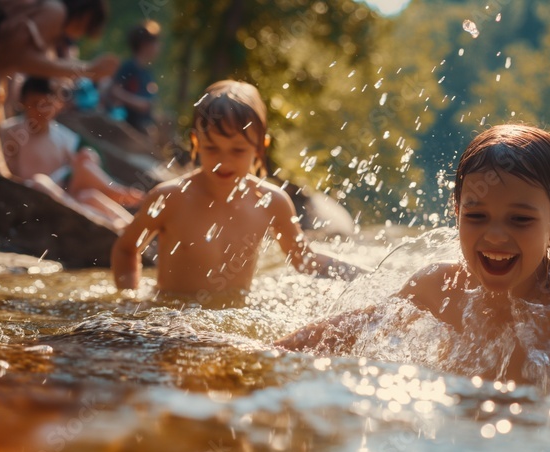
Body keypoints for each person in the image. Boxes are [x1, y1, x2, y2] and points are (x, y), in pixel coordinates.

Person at [277, 124, 550, 389]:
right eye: (476, 216)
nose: (495, 236)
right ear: (456, 212)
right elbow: (350, 328)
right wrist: (263, 357)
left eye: (520, 219)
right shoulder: (441, 286)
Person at [111, 80, 366, 305]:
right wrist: (129, 301)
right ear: (196, 142)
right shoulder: (170, 198)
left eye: (237, 151)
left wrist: (368, 277)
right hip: (172, 321)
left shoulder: (271, 201)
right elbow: (126, 249)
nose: (224, 161)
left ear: (259, 147)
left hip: (228, 322)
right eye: (212, 148)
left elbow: (304, 259)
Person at [0, 0, 119, 177]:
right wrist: (88, 70)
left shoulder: (48, 15)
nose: (82, 34)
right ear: (85, 15)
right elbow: (12, 56)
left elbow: (31, 61)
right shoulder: (55, 10)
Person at [1, 77, 142, 229]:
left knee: (88, 188)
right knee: (40, 181)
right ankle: (105, 223)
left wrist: (87, 158)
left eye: (47, 105)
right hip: (33, 192)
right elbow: (4, 171)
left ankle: (128, 220)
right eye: (35, 105)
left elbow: (75, 168)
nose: (41, 112)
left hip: (65, 192)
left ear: (57, 105)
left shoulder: (63, 135)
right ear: (23, 103)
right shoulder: (11, 132)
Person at [106, 20, 161, 134]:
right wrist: (138, 103)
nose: (158, 47)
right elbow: (114, 90)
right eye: (155, 42)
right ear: (144, 44)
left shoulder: (147, 72)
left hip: (141, 127)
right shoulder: (129, 67)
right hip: (126, 125)